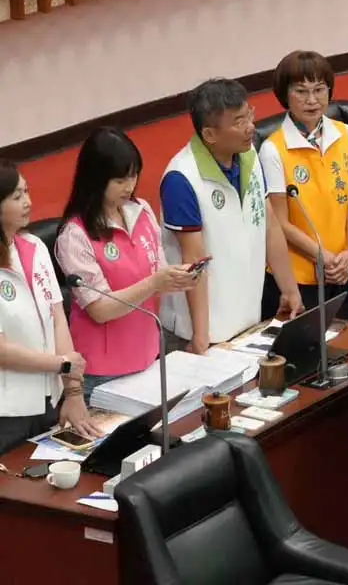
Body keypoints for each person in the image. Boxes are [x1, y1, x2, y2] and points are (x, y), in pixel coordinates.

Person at [55, 128, 199, 401]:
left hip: (148, 356)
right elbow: (100, 309)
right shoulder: (75, 236)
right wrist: (155, 282)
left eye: (133, 176)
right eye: (120, 180)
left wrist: (178, 279)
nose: (129, 186)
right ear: (96, 179)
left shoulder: (141, 211)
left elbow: (157, 277)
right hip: (102, 373)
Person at [159, 80, 303, 352]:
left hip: (247, 321)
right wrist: (200, 338)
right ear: (210, 134)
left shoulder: (249, 156)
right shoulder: (182, 179)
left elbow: (269, 224)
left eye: (250, 114)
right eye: (239, 121)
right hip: (200, 334)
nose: (251, 126)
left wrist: (289, 288)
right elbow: (193, 260)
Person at [259, 51, 348, 321]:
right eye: (301, 91)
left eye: (319, 89)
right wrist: (323, 257)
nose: (312, 100)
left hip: (346, 266)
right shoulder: (273, 148)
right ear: (285, 95)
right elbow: (279, 222)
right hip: (301, 276)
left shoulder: (347, 133)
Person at [0, 161, 97, 452]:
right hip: (7, 410)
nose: (28, 202)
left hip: (50, 399)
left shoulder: (35, 247)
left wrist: (72, 390)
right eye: (16, 197)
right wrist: (60, 364)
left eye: (26, 192)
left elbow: (58, 319)